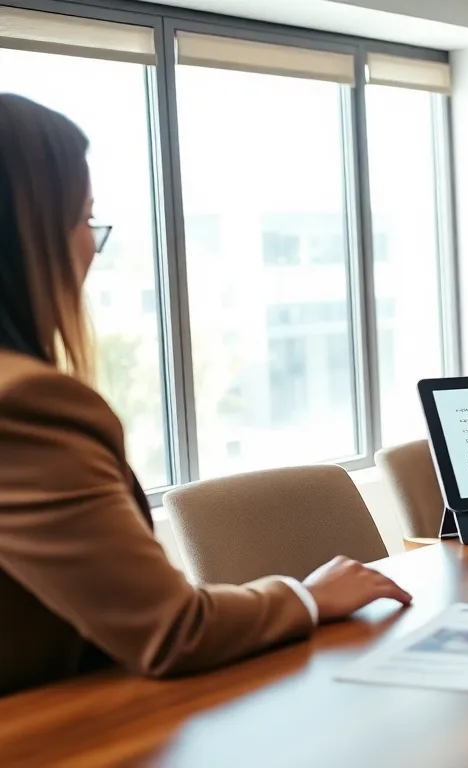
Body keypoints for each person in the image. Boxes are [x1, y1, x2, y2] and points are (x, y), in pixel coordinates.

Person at [0, 94, 411, 697]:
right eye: (85, 219)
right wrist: (308, 595)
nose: (92, 245)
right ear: (28, 238)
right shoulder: (25, 407)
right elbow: (172, 629)